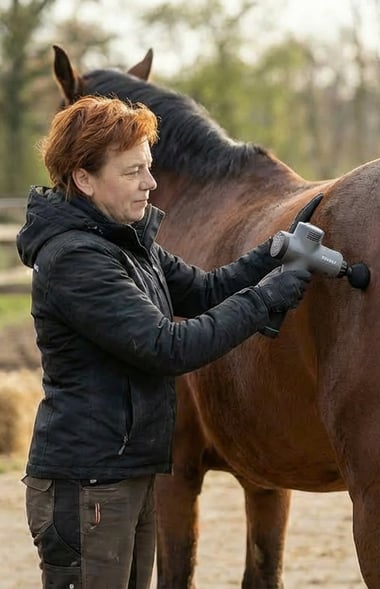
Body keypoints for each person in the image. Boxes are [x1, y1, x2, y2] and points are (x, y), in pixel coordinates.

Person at [16, 95, 311, 589]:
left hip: (127, 472)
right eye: (133, 172)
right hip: (88, 485)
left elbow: (204, 290)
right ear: (85, 180)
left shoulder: (128, 242)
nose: (151, 184)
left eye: (149, 168)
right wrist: (265, 301)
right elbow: (168, 346)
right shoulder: (76, 259)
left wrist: (272, 252)